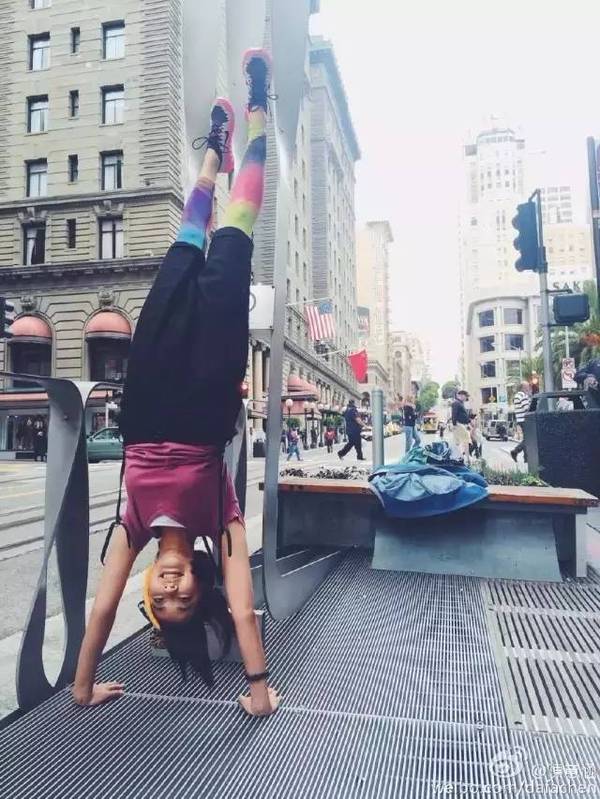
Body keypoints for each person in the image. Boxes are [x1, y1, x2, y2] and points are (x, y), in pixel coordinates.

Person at [72, 50, 279, 717]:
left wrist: (83, 687)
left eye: (161, 602)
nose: (170, 591)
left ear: (150, 592)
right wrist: (257, 689)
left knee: (188, 241)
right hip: (210, 384)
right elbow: (242, 608)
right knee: (235, 234)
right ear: (197, 580)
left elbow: (103, 607)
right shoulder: (221, 521)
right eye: (183, 598)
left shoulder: (131, 528)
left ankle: (214, 153)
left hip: (151, 387)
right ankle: (258, 106)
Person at [510, 381, 532, 463]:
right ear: (523, 387)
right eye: (527, 386)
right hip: (525, 419)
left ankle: (526, 457)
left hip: (520, 419)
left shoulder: (517, 395)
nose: (529, 387)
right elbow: (527, 408)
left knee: (526, 438)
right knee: (528, 439)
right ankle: (516, 451)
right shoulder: (523, 395)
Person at [451, 390, 471, 458]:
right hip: (459, 424)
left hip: (459, 424)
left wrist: (468, 420)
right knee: (465, 441)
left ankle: (461, 457)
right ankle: (466, 458)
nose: (466, 398)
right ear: (462, 395)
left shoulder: (460, 403)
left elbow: (462, 415)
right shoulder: (457, 403)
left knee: (459, 442)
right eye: (466, 396)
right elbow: (454, 414)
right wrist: (454, 424)